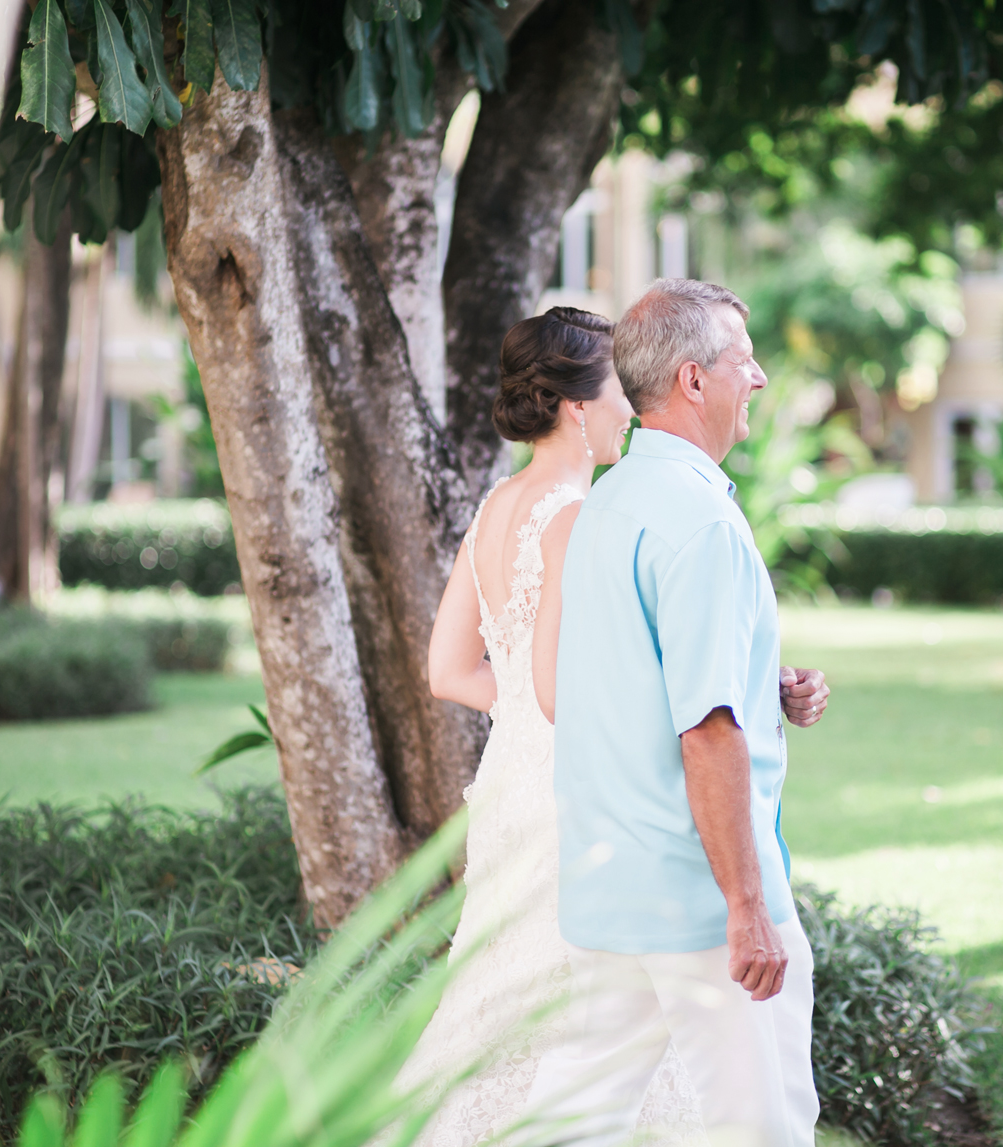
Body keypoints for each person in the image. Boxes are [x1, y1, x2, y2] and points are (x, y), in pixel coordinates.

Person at [521, 278, 831, 1147]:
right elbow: (706, 728)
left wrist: (763, 686)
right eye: (743, 360)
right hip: (699, 899)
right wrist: (746, 904)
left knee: (578, 1123)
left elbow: (620, 679)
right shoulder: (699, 522)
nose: (760, 379)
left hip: (608, 882)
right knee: (765, 1124)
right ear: (694, 381)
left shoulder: (607, 504)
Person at [407, 306, 708, 1146]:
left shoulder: (499, 503)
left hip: (509, 782)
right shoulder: (581, 514)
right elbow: (555, 687)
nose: (631, 408)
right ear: (578, 403)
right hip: (572, 787)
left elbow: (448, 671)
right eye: (620, 389)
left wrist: (526, 722)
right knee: (586, 1007)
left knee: (499, 999)